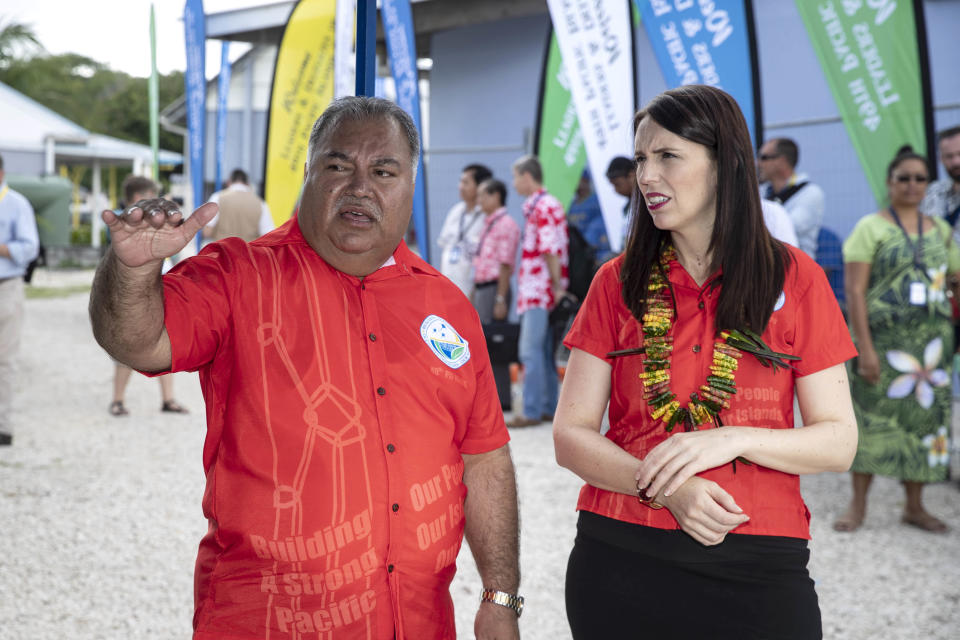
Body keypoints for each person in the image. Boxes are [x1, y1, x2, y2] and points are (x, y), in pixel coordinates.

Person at [89, 96, 522, 639]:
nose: (360, 186)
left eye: (383, 171)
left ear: (411, 184)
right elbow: (137, 341)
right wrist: (132, 272)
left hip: (416, 623)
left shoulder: (447, 306)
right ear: (308, 175)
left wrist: (500, 596)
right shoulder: (238, 275)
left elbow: (485, 460)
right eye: (338, 166)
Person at [553, 85, 857, 639]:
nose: (646, 176)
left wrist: (731, 438)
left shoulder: (797, 279)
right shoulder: (613, 283)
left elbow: (838, 442)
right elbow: (570, 436)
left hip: (760, 560)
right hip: (620, 554)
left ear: (725, 164)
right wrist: (666, 487)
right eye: (643, 158)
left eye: (668, 156)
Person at [834, 145, 957, 535]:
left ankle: (915, 507)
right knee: (871, 423)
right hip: (882, 348)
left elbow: (954, 276)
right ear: (889, 182)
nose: (912, 185)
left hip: (932, 352)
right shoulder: (870, 228)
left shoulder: (940, 230)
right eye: (904, 177)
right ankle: (857, 506)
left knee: (925, 425)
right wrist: (864, 350)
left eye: (920, 178)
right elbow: (854, 293)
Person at [108, 175, 189, 417]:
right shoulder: (123, 224)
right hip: (131, 294)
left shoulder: (150, 221)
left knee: (166, 343)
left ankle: (167, 399)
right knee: (126, 347)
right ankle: (118, 400)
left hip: (159, 288)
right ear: (137, 199)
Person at [508, 155, 569, 428]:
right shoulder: (544, 205)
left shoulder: (541, 207)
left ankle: (531, 410)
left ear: (527, 177)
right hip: (542, 289)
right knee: (542, 351)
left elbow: (549, 249)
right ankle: (547, 407)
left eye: (516, 176)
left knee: (530, 350)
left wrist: (556, 286)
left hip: (538, 289)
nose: (514, 183)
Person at [0, 153, 40, 447]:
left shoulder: (16, 204)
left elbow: (29, 248)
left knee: (4, 360)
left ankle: (3, 424)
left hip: (6, 287)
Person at [471, 178, 520, 410]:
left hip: (495, 288)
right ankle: (491, 397)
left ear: (495, 196)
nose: (479, 200)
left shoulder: (506, 224)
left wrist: (500, 298)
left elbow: (504, 264)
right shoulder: (489, 222)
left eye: (483, 195)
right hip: (483, 287)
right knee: (483, 343)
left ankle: (502, 399)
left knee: (495, 342)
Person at [758, 137, 825, 259]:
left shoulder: (810, 193)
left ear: (781, 161)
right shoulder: (761, 192)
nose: (758, 163)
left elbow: (783, 230)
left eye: (764, 158)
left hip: (797, 270)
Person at [436, 163, 492, 295]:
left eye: (465, 183)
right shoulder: (456, 211)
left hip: (473, 291)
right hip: (448, 287)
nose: (460, 187)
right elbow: (444, 248)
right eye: (460, 182)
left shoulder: (487, 216)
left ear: (480, 186)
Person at [203, 168, 275, 243]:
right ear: (248, 184)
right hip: (248, 252)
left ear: (228, 182)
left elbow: (207, 232)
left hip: (223, 251)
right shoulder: (260, 203)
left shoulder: (217, 198)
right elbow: (268, 236)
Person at [920, 126, 960, 233]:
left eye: (959, 153)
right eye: (949, 156)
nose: (956, 162)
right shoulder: (931, 192)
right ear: (941, 159)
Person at [566, 170, 611, 262]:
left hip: (596, 251)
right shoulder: (571, 205)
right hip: (576, 252)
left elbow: (600, 226)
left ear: (585, 180)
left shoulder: (595, 201)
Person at [606, 155, 636, 251]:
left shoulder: (646, 206)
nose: (615, 190)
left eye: (617, 184)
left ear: (631, 176)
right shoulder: (627, 208)